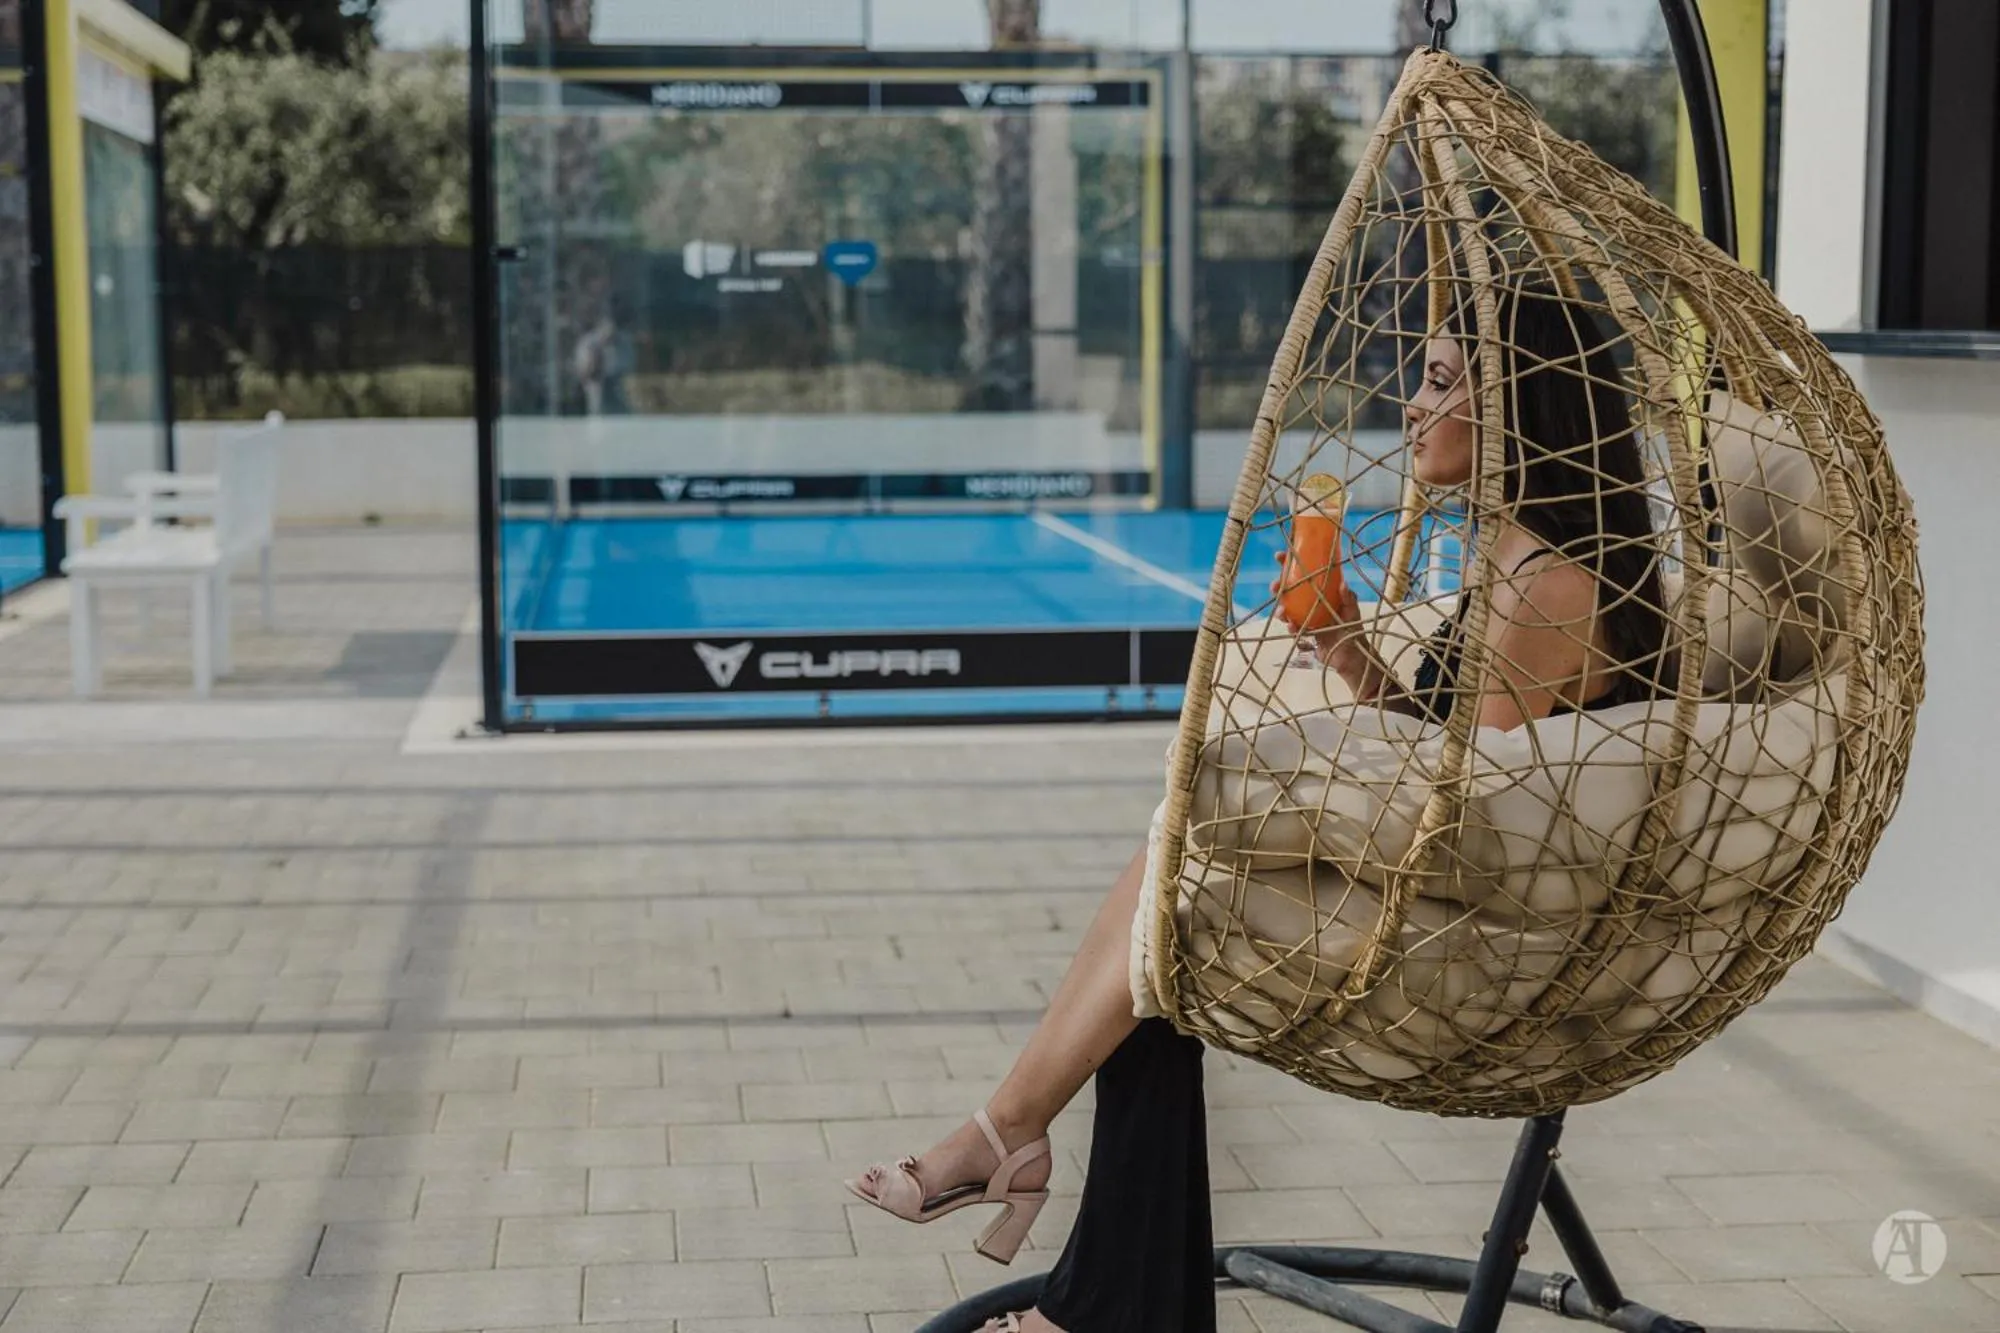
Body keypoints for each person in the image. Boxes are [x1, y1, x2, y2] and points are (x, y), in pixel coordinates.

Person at [844, 285, 1674, 1332]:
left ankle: (1015, 1153)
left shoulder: (1547, 586)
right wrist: (1342, 644)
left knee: (1167, 903)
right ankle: (1083, 1276)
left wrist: (1308, 770)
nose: (1410, 408)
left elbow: (1468, 822)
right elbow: (1449, 763)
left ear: (1522, 405)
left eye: (1438, 382)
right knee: (1157, 947)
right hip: (1443, 904)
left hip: (1483, 954)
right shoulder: (1512, 561)